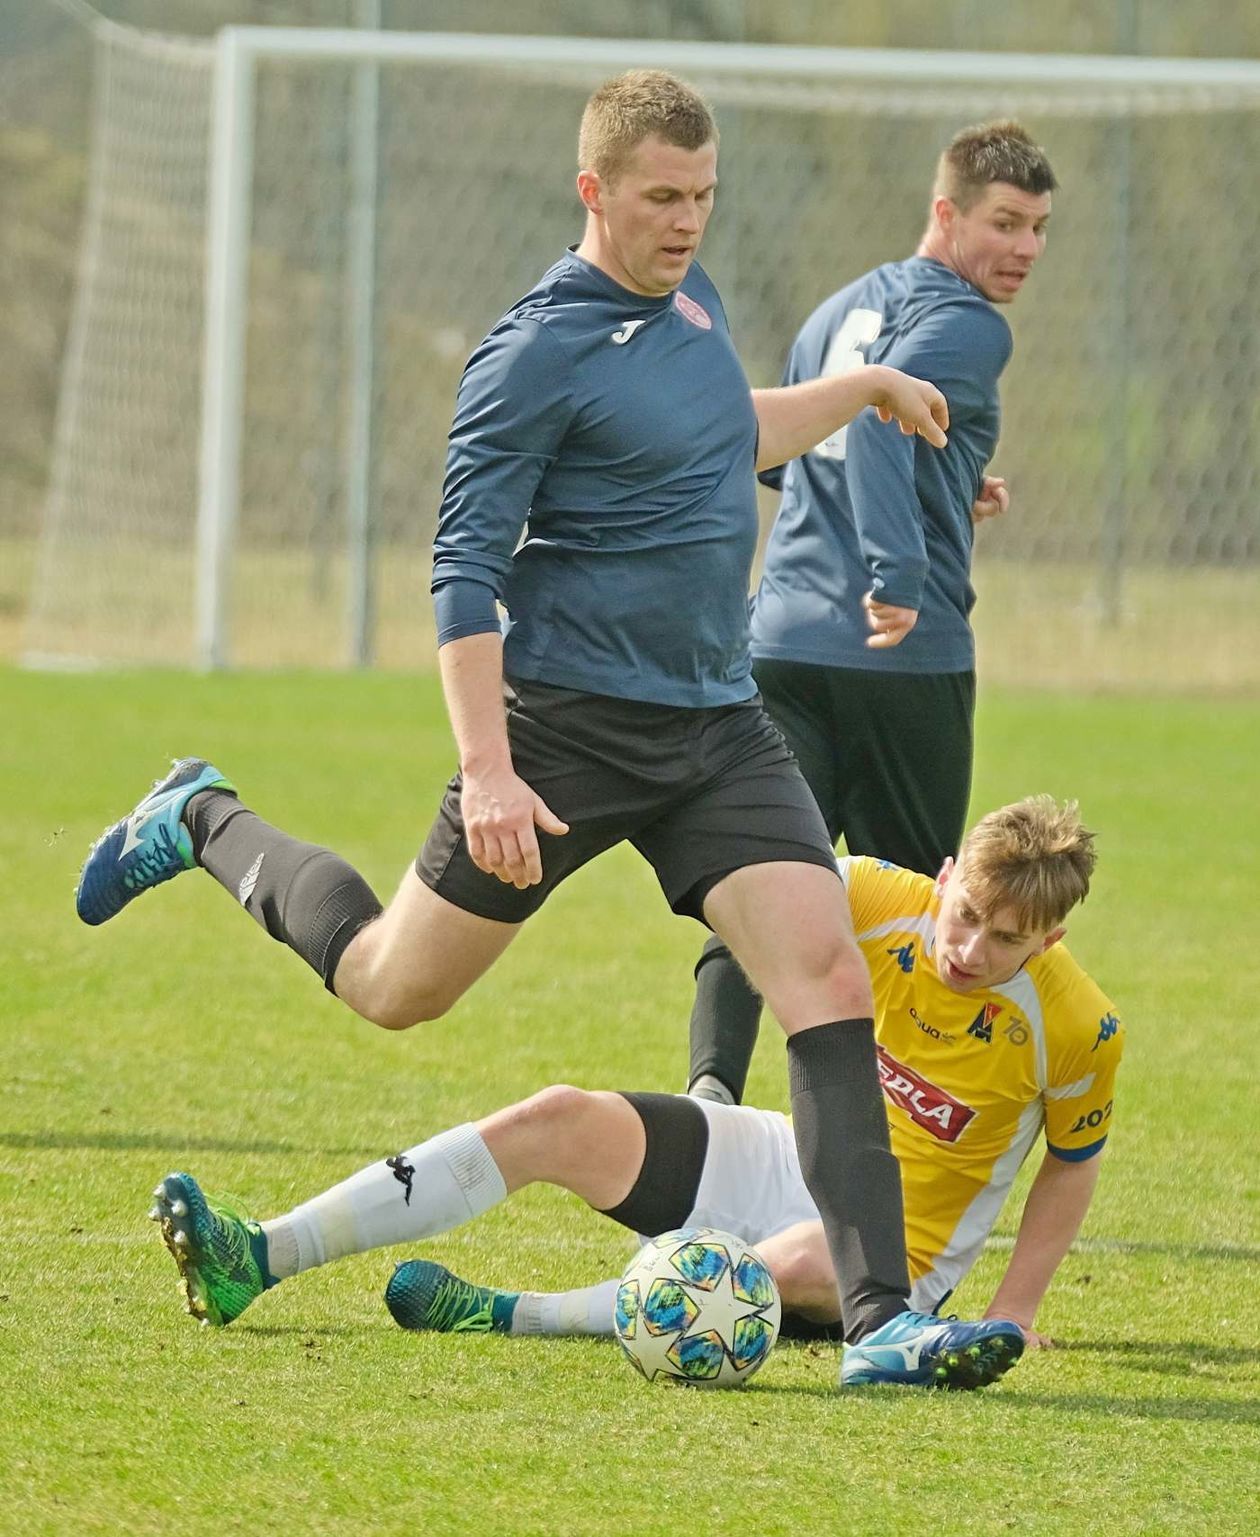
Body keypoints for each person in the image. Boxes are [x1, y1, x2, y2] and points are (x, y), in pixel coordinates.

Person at [74, 69, 1016, 1389]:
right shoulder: (531, 352)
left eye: (703, 196)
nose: (687, 222)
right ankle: (202, 818)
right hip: (565, 732)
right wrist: (490, 771)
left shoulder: (693, 304)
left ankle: (881, 1324)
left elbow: (722, 429)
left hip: (718, 726)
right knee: (395, 985)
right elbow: (462, 574)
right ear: (595, 191)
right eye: (661, 198)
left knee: (828, 979)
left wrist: (866, 391)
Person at [150, 797, 1120, 1388]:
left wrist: (1015, 1305)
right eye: (964, 916)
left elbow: (1070, 1167)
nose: (967, 950)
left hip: (900, 1247)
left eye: (1004, 939)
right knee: (557, 1117)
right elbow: (741, 905)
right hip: (790, 1151)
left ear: (1050, 941)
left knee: (760, 1273)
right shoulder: (868, 893)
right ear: (943, 878)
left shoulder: (1078, 1027)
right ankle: (260, 1255)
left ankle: (504, 1310)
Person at [688, 121, 1058, 1109]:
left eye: (1038, 229)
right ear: (946, 213)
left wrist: (953, 488)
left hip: (779, 650)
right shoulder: (974, 323)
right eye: (1004, 223)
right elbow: (888, 427)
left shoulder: (842, 307)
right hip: (899, 658)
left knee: (761, 882)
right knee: (918, 921)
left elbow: (795, 445)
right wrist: (898, 568)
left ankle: (712, 1095)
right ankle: (884, 1142)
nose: (1022, 249)